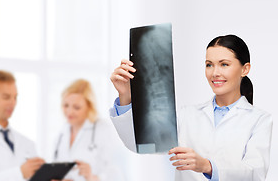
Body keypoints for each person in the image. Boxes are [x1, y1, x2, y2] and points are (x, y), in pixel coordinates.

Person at [109, 34, 273, 181]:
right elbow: (141, 144)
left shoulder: (259, 120)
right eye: (209, 65)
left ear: (245, 69)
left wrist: (207, 166)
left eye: (224, 64)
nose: (214, 73)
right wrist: (125, 95)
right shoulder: (187, 115)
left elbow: (255, 173)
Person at [53, 79, 125, 181]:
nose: (69, 112)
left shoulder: (102, 129)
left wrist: (91, 177)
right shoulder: (62, 133)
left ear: (89, 107)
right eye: (66, 105)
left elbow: (115, 173)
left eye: (76, 107)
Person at [0, 70, 45, 181]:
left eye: (15, 97)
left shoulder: (27, 143)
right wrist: (19, 173)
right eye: (6, 97)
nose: (12, 103)